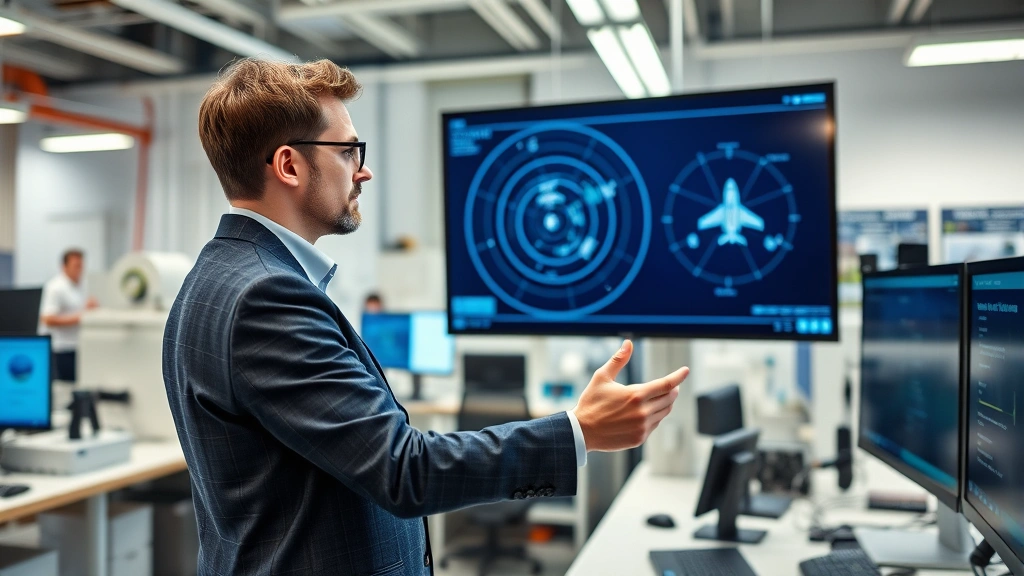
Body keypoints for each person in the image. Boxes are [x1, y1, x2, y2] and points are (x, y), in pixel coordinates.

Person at [162, 58, 689, 576]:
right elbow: (403, 470)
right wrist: (579, 431)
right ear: (289, 166)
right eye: (347, 151)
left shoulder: (211, 279)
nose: (362, 169)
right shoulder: (267, 296)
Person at [40, 249, 98, 382]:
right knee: (64, 388)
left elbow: (79, 309)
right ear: (64, 266)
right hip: (60, 349)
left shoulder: (82, 284)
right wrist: (81, 316)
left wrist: (90, 308)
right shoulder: (55, 287)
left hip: (77, 346)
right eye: (75, 266)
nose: (79, 269)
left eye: (81, 266)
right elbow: (47, 319)